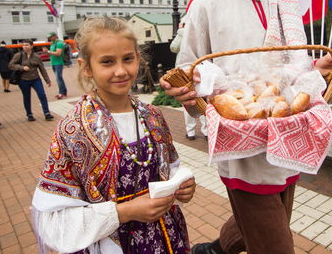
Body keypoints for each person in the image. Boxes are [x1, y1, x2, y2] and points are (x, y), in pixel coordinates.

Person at [160, 0, 332, 253]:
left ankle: (216, 250)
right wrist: (188, 97)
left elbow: (292, 73)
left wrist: (319, 74)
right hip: (242, 145)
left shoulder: (285, 4)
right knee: (276, 241)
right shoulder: (206, 7)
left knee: (274, 216)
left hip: (287, 133)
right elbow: (188, 74)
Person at [31, 16, 196, 253]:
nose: (121, 71)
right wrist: (124, 212)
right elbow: (54, 222)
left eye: (128, 59)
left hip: (162, 239)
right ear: (86, 67)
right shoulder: (74, 129)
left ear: (139, 59)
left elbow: (169, 168)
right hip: (109, 243)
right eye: (107, 62)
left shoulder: (152, 116)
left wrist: (182, 185)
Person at [170, 20, 207, 140]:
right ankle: (206, 131)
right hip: (202, 70)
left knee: (188, 100)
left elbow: (173, 48)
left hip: (184, 73)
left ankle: (190, 132)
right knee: (203, 100)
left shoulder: (183, 34)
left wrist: (180, 32)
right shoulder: (201, 31)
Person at [8, 39, 54, 122]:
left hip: (35, 79)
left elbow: (42, 69)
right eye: (23, 45)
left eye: (27, 45)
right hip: (23, 80)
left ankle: (47, 113)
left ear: (31, 46)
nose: (25, 47)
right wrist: (21, 68)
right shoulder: (19, 55)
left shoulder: (36, 57)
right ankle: (29, 114)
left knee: (42, 95)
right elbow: (11, 65)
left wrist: (47, 80)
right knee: (27, 97)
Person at [42, 31, 67, 99]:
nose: (49, 38)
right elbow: (50, 54)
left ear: (55, 36)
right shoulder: (52, 44)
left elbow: (58, 53)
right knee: (58, 78)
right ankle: (62, 91)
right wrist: (47, 52)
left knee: (58, 78)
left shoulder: (59, 43)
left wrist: (49, 51)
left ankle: (62, 92)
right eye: (49, 37)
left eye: (50, 37)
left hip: (58, 63)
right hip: (53, 63)